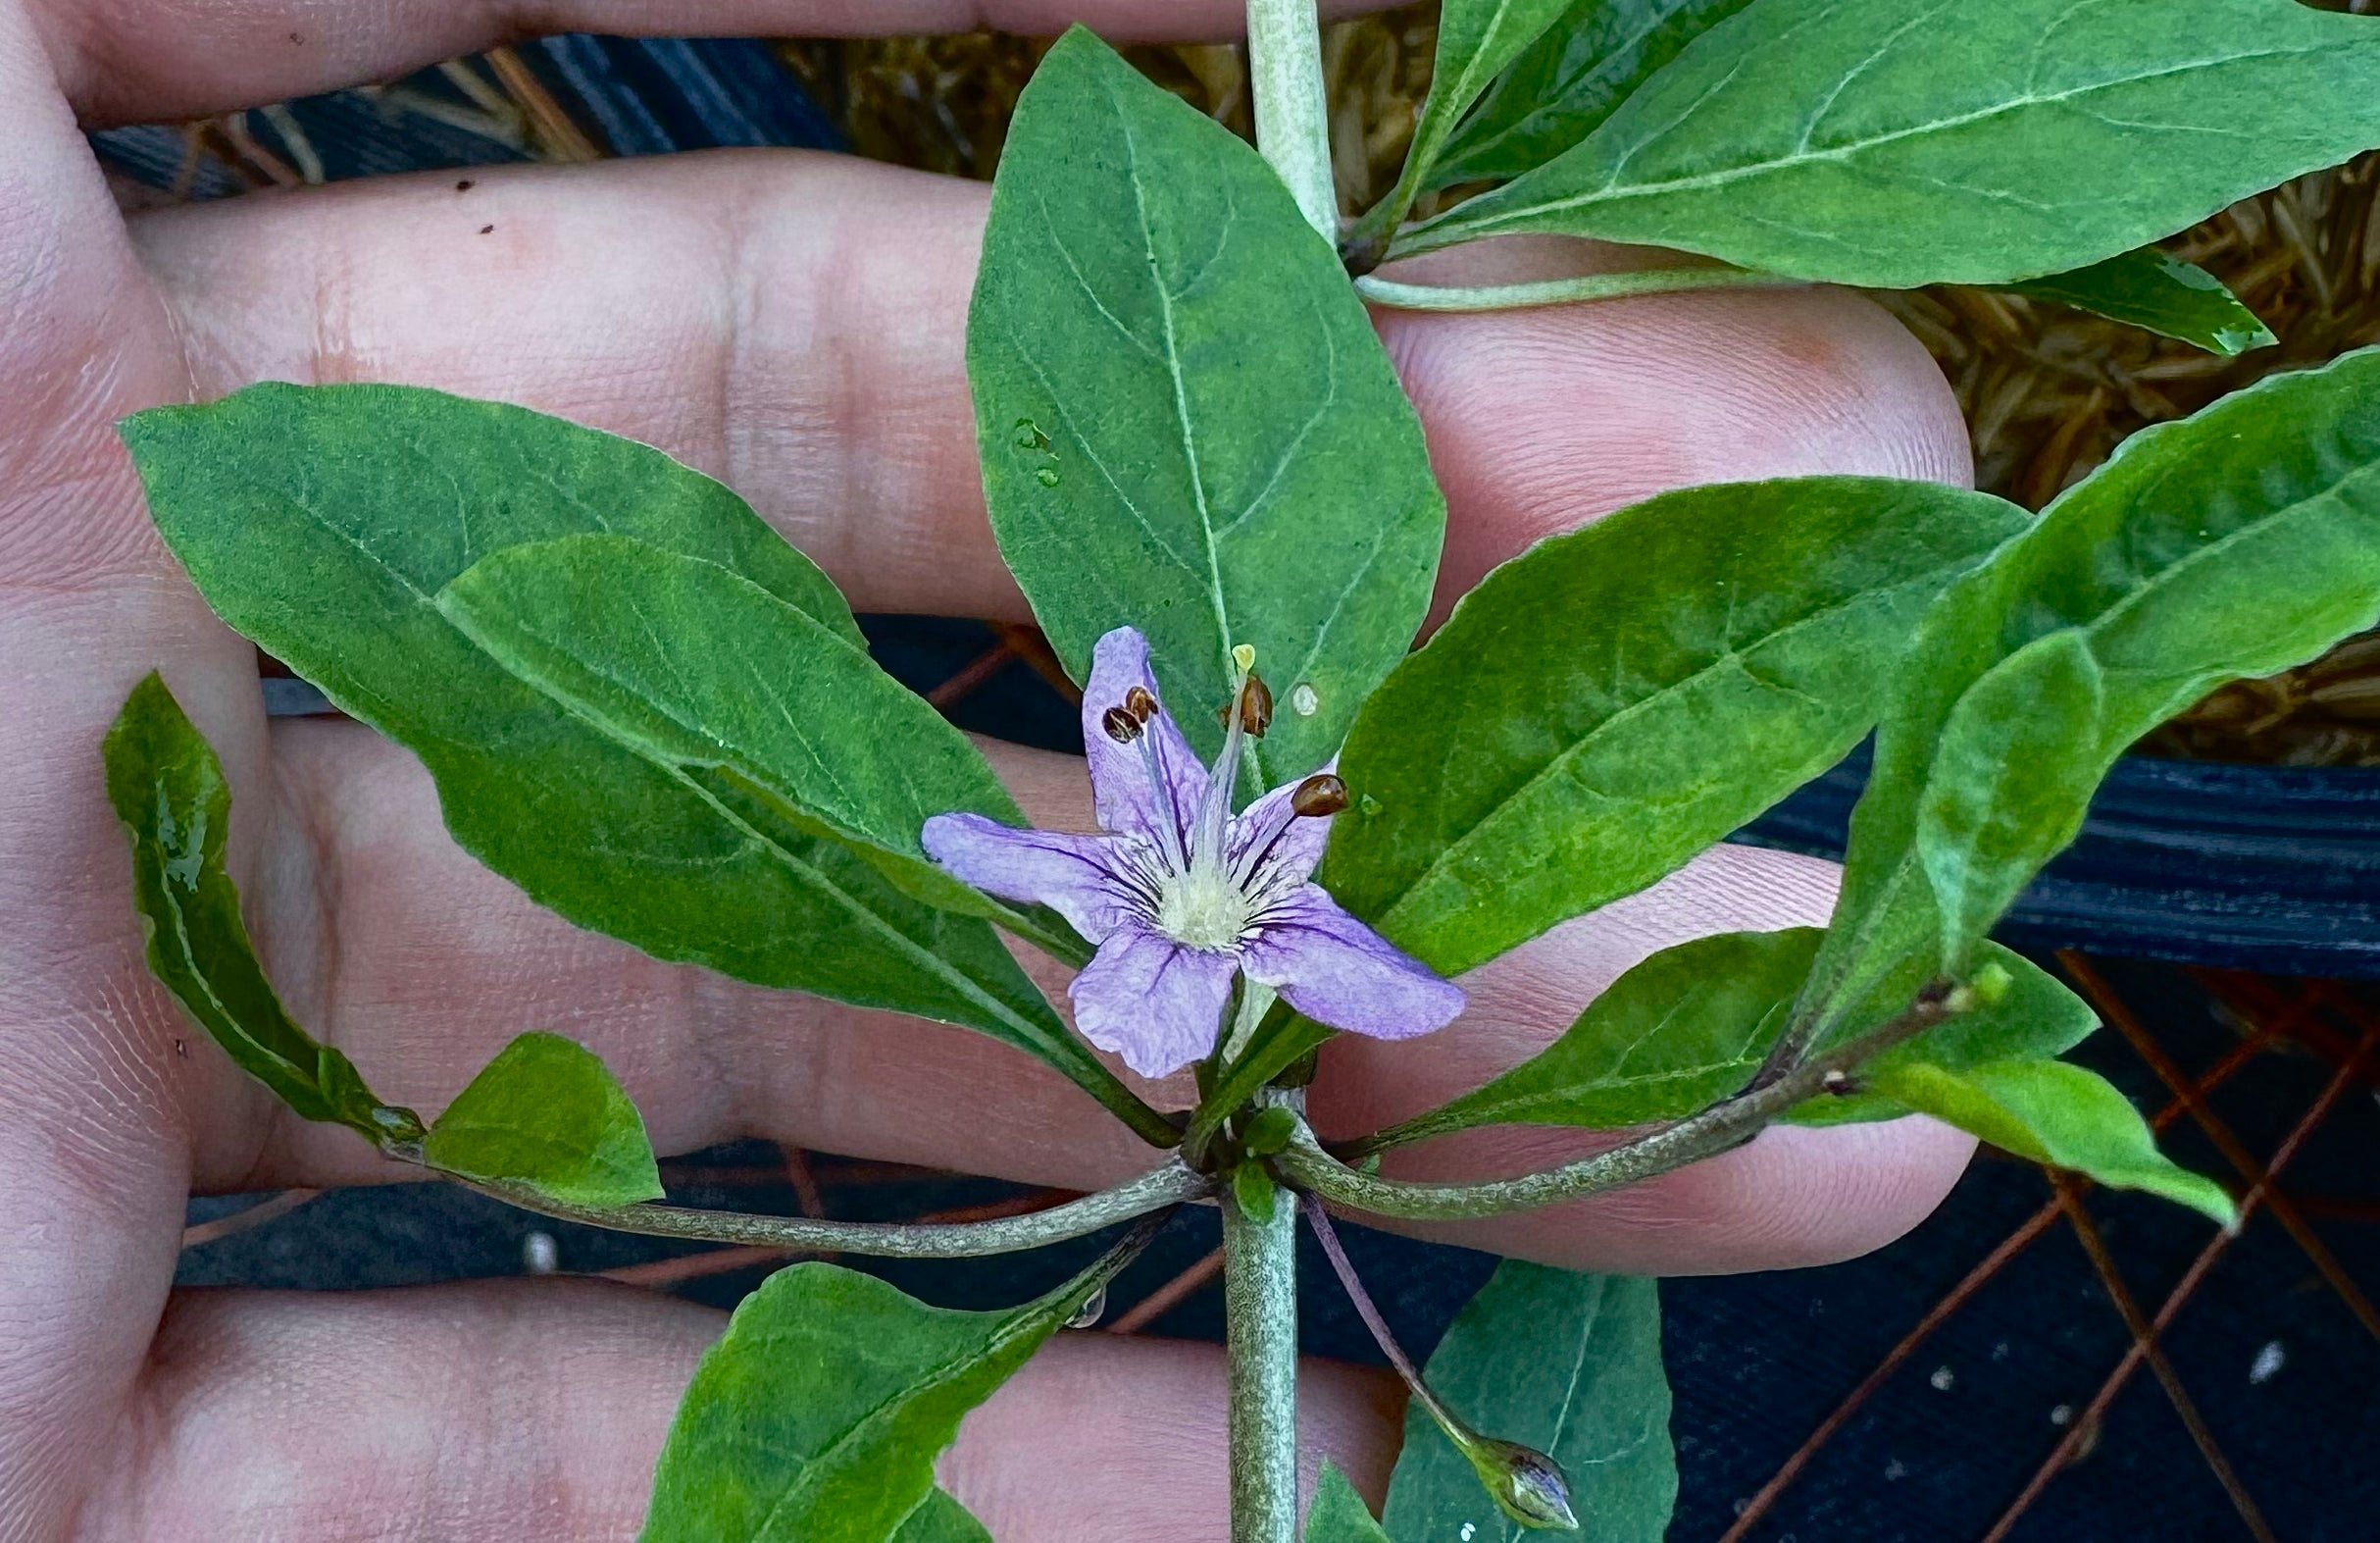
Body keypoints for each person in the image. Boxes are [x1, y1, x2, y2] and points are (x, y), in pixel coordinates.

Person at [0, 2, 1982, 1534]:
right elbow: (1017, 868)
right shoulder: (1146, 923)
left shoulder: (1223, 930)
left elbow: (1173, 913)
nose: (1208, 855)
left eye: (1236, 863)